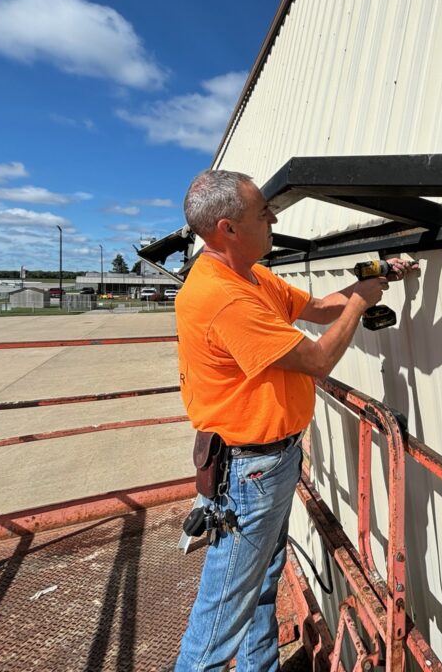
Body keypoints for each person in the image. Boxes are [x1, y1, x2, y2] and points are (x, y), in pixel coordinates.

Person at [174, 169, 417, 671]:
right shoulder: (222, 296)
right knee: (220, 620)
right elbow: (317, 359)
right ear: (228, 229)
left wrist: (369, 282)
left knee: (262, 584)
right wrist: (362, 303)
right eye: (263, 212)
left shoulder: (249, 274)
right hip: (249, 473)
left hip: (271, 461)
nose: (274, 218)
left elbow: (319, 309)